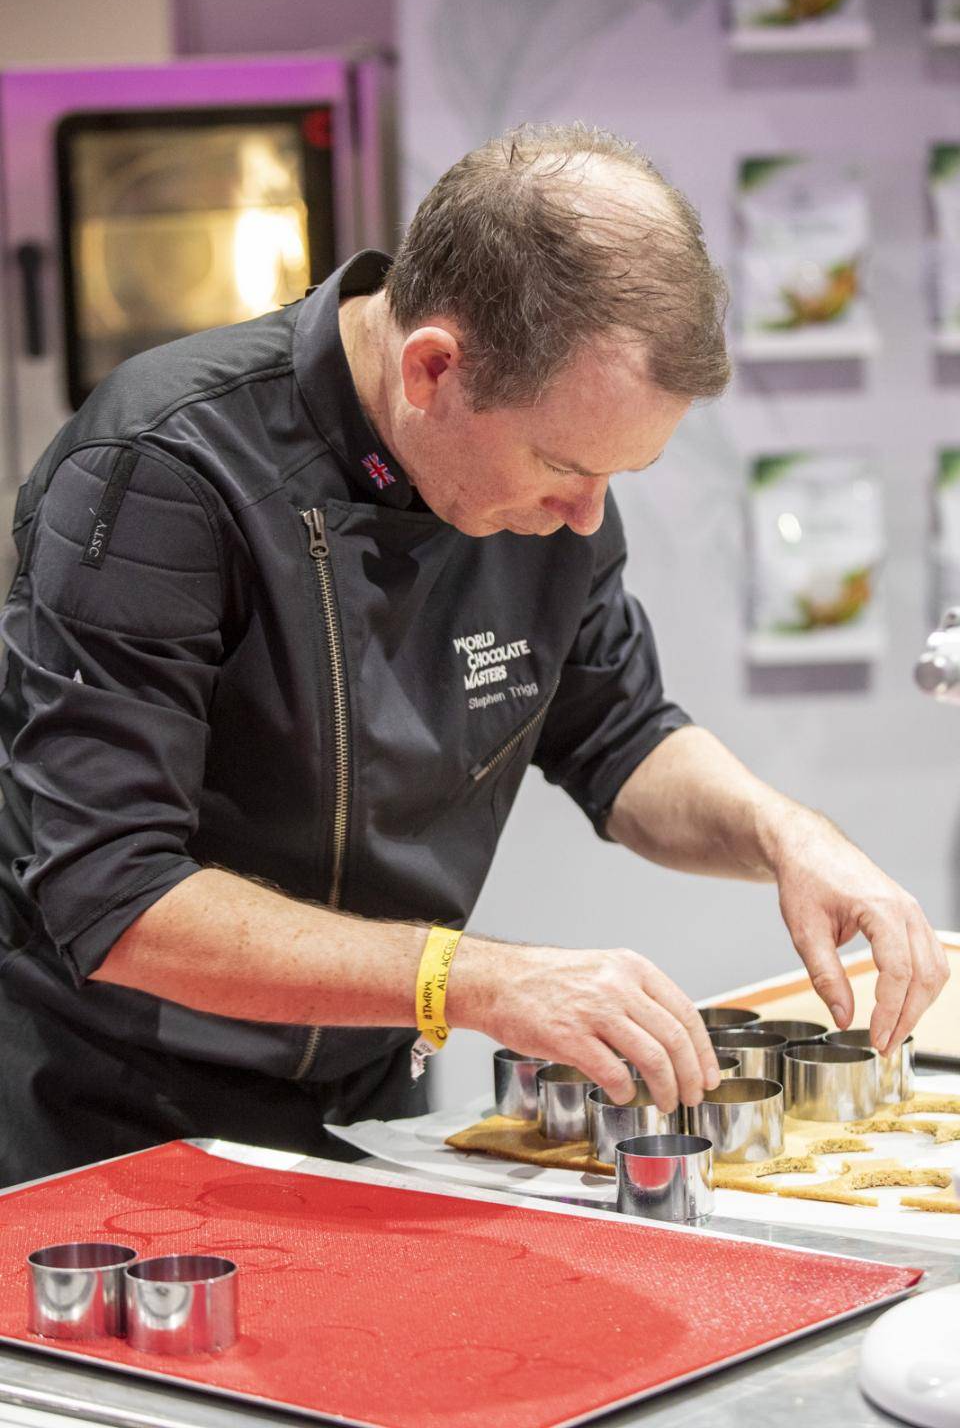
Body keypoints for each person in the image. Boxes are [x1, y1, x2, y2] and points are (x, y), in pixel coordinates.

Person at [0, 124, 946, 1187]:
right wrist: (473, 980)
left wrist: (788, 837)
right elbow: (114, 896)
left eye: (613, 477)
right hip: (110, 1124)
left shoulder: (546, 505)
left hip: (365, 1105)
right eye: (563, 465)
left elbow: (618, 735)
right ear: (433, 367)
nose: (587, 517)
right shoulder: (164, 469)